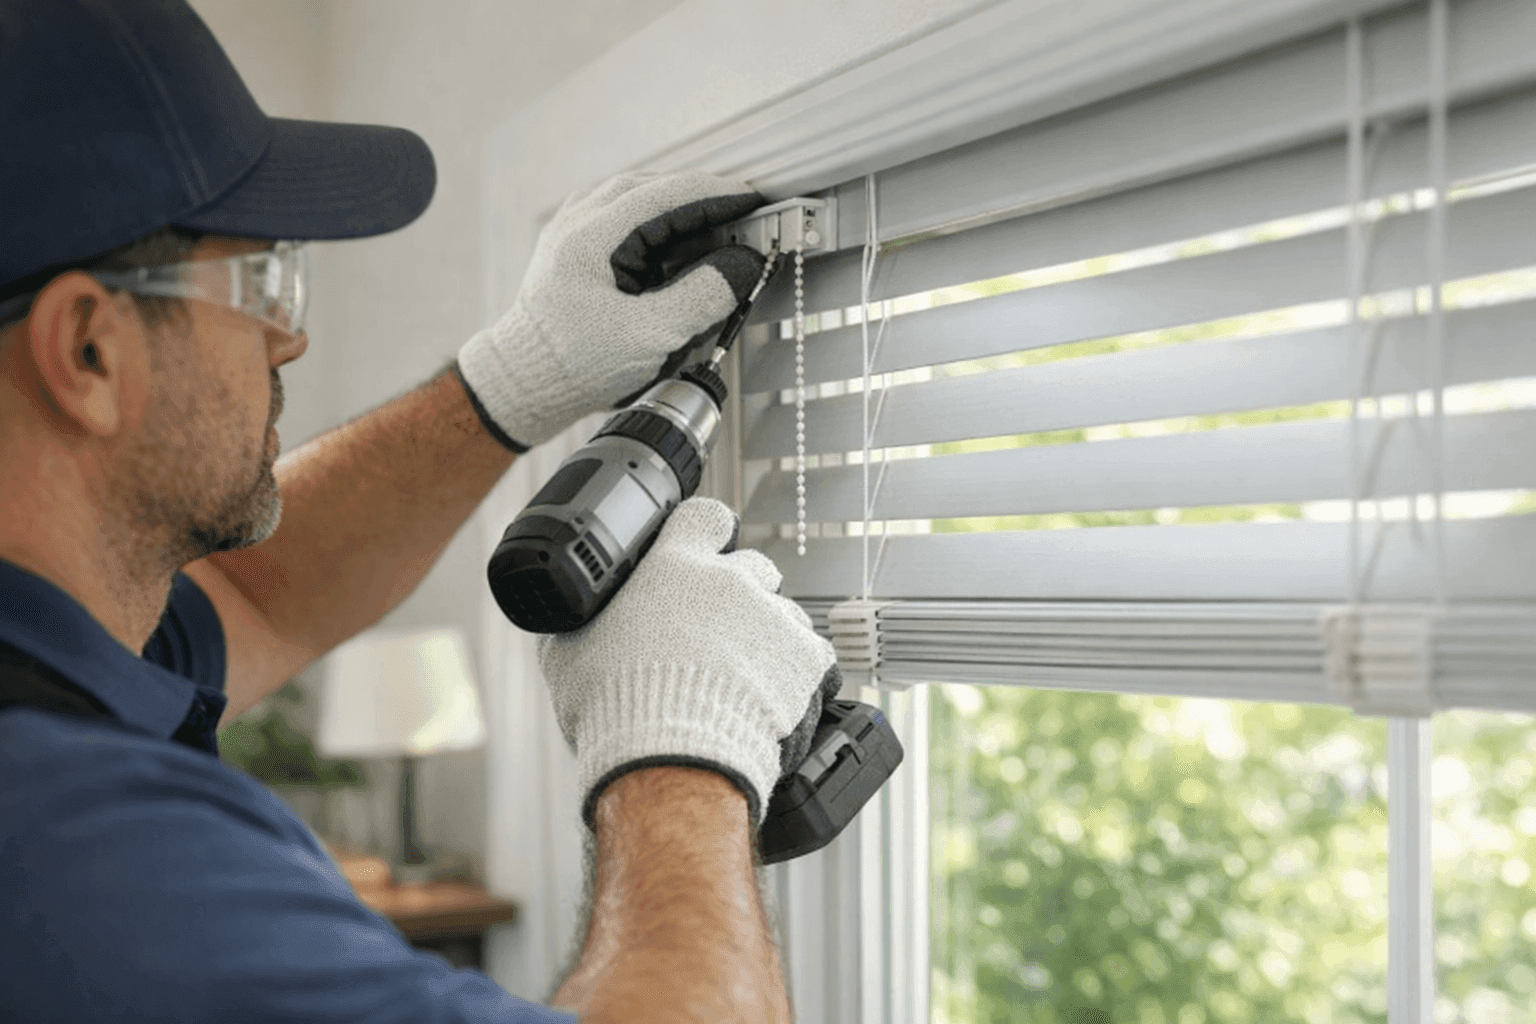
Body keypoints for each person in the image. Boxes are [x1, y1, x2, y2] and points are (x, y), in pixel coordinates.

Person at [0, 2, 838, 1022]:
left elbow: (257, 598)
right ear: (89, 349)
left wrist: (511, 380)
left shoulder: (58, 639)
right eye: (263, 280)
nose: (287, 341)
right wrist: (679, 745)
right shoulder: (75, 849)